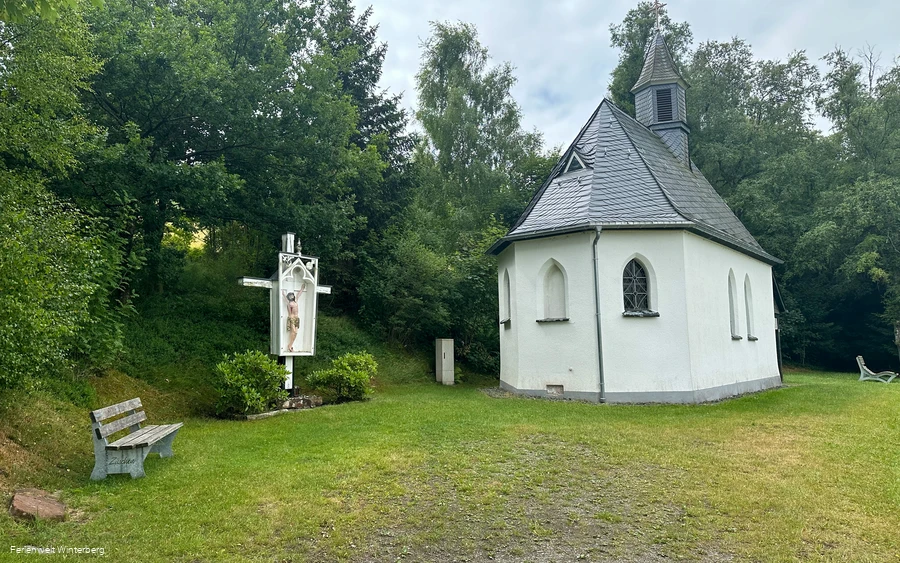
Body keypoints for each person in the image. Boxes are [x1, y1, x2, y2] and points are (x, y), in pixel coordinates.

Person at [282, 284, 306, 352]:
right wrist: (283, 294)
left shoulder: (295, 301)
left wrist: (302, 289)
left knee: (295, 333)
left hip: (296, 318)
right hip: (292, 318)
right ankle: (289, 345)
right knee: (293, 331)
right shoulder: (289, 304)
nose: (292, 296)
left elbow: (298, 295)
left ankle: (291, 345)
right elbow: (289, 312)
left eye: (292, 295)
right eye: (290, 296)